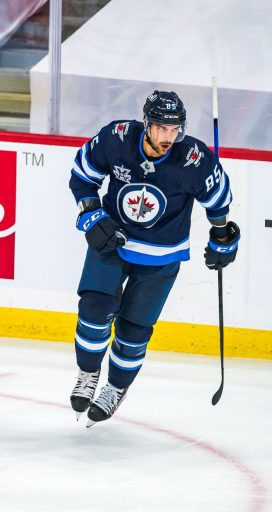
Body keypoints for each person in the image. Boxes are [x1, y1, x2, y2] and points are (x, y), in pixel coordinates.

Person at [68, 91, 239, 426]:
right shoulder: (117, 138)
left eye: (175, 129)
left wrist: (222, 237)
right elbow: (83, 175)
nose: (168, 137)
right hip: (112, 242)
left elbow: (218, 201)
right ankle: (87, 373)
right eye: (162, 128)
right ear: (146, 123)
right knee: (94, 309)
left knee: (134, 331)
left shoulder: (194, 159)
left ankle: (116, 387)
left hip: (161, 255)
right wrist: (91, 215)